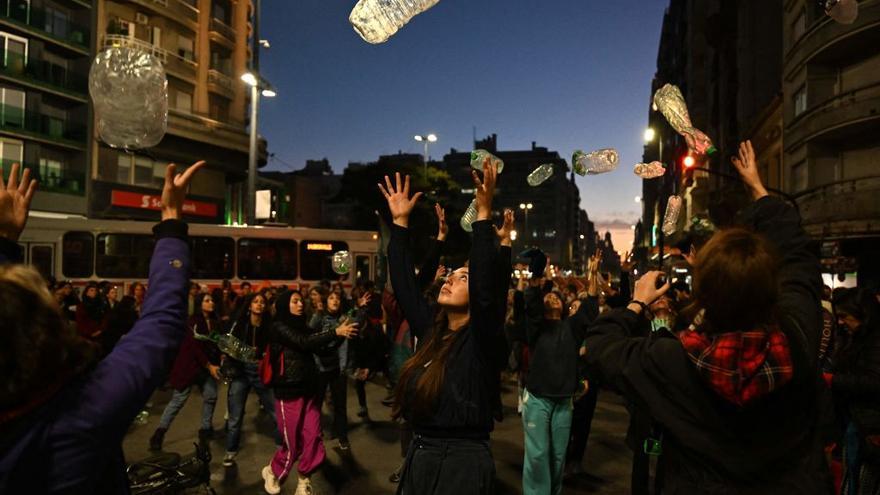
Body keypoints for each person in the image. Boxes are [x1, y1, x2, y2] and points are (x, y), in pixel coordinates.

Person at [584, 141, 831, 493]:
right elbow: (798, 261)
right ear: (772, 289)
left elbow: (601, 348)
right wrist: (760, 192)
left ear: (704, 296)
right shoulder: (797, 340)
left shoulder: (674, 362)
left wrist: (636, 303)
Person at [0, 160, 206, 492]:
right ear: (38, 334)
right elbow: (161, 324)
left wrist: (5, 243)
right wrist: (171, 217)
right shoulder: (80, 416)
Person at [379, 164, 507, 495]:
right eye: (452, 274)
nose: (450, 278)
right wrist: (400, 224)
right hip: (421, 454)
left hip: (462, 462)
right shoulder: (432, 330)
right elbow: (405, 285)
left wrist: (483, 214)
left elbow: (486, 290)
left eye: (463, 277)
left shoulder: (483, 338)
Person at [260, 290, 358, 495]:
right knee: (293, 444)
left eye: (301, 301)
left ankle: (304, 480)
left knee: (313, 437)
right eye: (294, 302)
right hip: (289, 392)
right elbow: (303, 342)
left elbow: (322, 349)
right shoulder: (278, 327)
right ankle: (272, 471)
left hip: (309, 390)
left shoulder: (303, 327)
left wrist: (341, 336)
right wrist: (335, 332)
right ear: (284, 304)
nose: (300, 305)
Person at [520, 250, 596, 495]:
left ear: (564, 305)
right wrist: (537, 273)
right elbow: (530, 301)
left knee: (557, 457)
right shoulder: (536, 327)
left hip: (564, 400)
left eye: (556, 297)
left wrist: (593, 274)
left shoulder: (571, 327)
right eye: (549, 297)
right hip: (539, 398)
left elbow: (590, 308)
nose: (552, 298)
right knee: (538, 455)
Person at [149, 292, 222, 450]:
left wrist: (219, 357)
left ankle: (205, 430)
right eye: (207, 300)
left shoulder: (214, 322)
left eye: (212, 300)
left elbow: (214, 344)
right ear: (199, 304)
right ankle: (159, 434)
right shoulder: (192, 322)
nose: (211, 303)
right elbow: (195, 347)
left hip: (205, 367)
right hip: (190, 367)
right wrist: (209, 365)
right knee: (178, 401)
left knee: (211, 396)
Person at [827, 288, 880, 495]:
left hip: (870, 423)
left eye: (844, 316)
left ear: (862, 314)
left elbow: (874, 382)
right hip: (858, 419)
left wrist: (833, 380)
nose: (840, 322)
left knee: (863, 481)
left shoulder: (874, 341)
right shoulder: (856, 337)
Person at [222, 292, 278, 466]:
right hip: (241, 373)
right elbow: (229, 345)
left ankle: (282, 444)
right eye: (255, 302)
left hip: (260, 371)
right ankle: (230, 450)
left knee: (275, 411)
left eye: (262, 302)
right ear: (249, 306)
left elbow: (274, 348)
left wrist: (262, 355)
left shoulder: (270, 325)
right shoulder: (240, 324)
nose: (259, 305)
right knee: (235, 415)